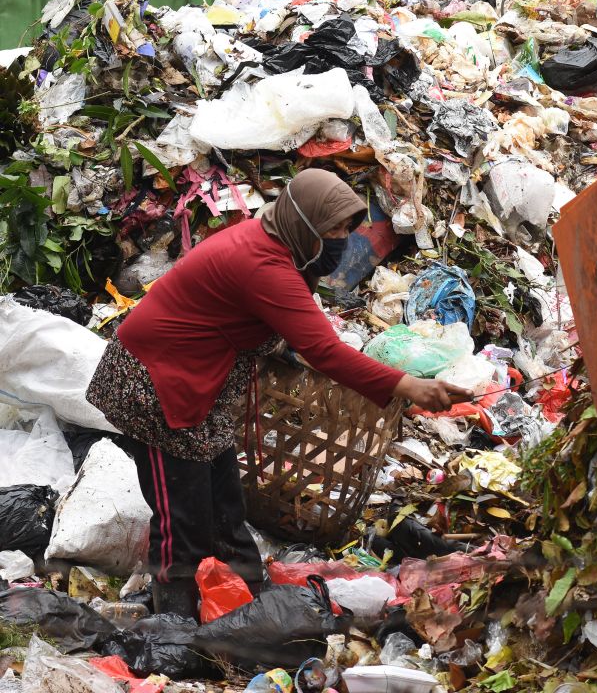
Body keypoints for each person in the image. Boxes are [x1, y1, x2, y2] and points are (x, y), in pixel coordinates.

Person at [85, 168, 470, 618]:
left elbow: (263, 318)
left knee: (226, 500)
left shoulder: (272, 241)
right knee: (181, 515)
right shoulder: (263, 263)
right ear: (303, 224)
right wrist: (407, 385)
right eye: (334, 231)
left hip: (197, 385)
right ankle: (175, 620)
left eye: (348, 229)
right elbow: (324, 350)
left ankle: (253, 596)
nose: (343, 241)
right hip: (154, 385)